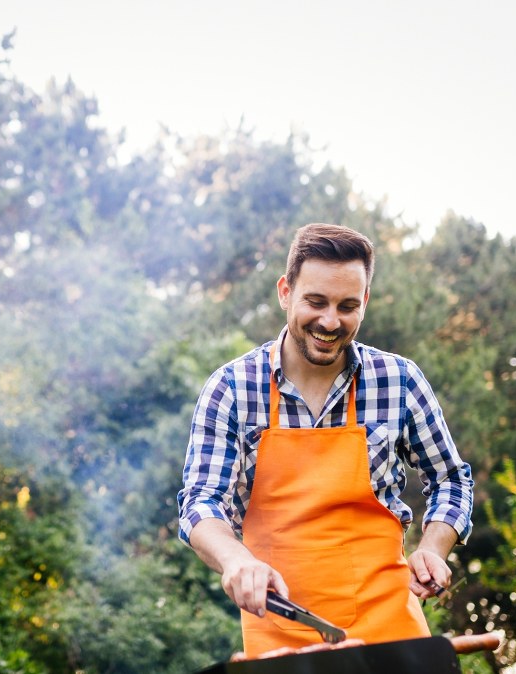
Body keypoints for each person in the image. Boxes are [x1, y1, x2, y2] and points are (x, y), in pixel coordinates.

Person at [177, 223, 474, 657]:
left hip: (390, 629)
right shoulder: (233, 387)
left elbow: (451, 478)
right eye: (315, 302)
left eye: (347, 305)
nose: (330, 321)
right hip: (280, 635)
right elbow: (200, 502)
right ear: (285, 292)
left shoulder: (399, 380)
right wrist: (236, 560)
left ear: (365, 302)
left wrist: (433, 546)